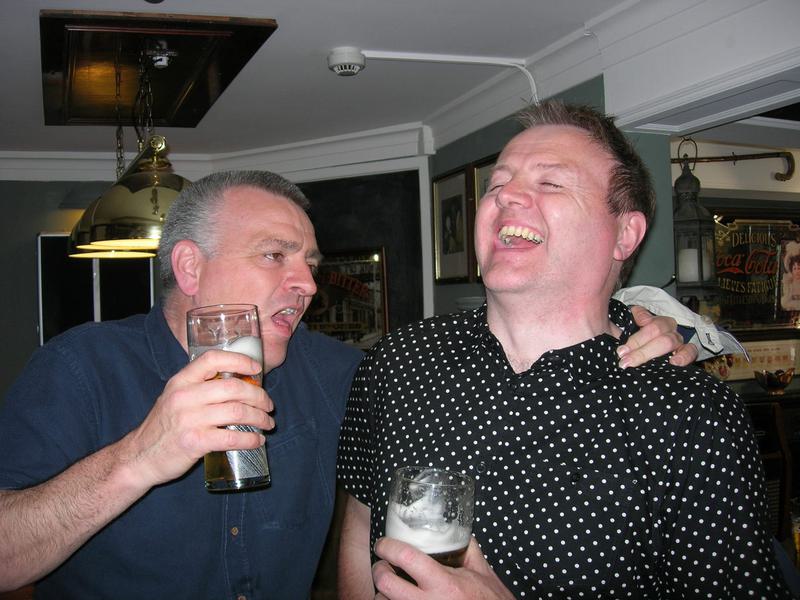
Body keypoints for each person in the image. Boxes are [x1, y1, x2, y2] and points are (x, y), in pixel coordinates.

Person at [0, 169, 691, 598]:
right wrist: (140, 457)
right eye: (275, 255)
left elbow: (490, 353)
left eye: (309, 261)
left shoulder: (340, 373)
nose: (306, 282)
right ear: (189, 267)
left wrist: (636, 320)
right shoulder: (78, 369)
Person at [336, 101, 792, 599]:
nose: (506, 195)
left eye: (551, 182)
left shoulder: (693, 416)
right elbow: (360, 520)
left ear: (625, 234)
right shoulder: (399, 359)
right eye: (497, 184)